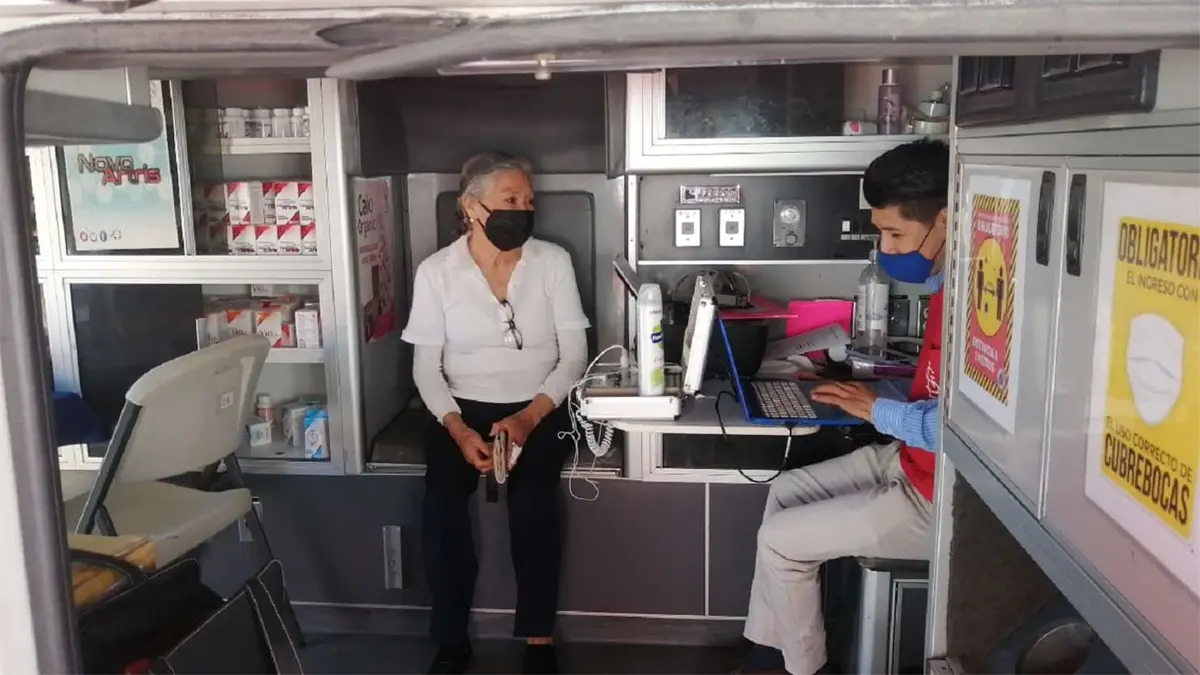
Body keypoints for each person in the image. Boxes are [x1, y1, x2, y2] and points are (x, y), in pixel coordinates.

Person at [734, 138, 950, 675]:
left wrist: (877, 411)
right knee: (785, 491)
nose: (886, 248)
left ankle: (802, 670)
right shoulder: (947, 287)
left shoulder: (981, 303)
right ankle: (770, 653)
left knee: (780, 544)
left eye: (896, 233)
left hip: (942, 500)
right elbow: (934, 393)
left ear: (946, 221)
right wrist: (857, 391)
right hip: (913, 463)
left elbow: (974, 435)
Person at [401, 152, 590, 675]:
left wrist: (529, 418)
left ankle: (538, 638)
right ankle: (450, 639)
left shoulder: (552, 262)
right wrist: (460, 430)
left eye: (528, 201)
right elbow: (425, 370)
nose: (522, 211)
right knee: (442, 501)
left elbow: (573, 357)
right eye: (510, 200)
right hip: (461, 407)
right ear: (472, 207)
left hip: (540, 404)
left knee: (533, 502)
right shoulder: (436, 272)